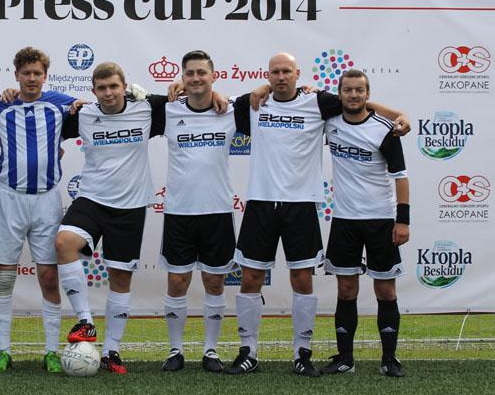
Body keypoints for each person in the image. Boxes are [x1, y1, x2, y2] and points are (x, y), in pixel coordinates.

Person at [226, 52, 409, 377]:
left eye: (286, 71)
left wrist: (400, 115)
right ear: (267, 75)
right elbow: (211, 102)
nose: (281, 76)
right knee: (251, 278)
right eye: (274, 72)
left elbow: (358, 105)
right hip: (260, 203)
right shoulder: (252, 103)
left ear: (297, 74)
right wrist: (256, 89)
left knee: (302, 279)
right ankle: (248, 352)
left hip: (301, 205)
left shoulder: (318, 103)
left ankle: (302, 353)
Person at [55, 62, 168, 374]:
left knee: (120, 277)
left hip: (130, 205)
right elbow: (46, 118)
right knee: (64, 243)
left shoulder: (148, 108)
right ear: (93, 91)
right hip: (91, 199)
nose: (108, 93)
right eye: (102, 88)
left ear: (124, 87)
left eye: (113, 86)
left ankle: (111, 352)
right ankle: (85, 322)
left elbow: (188, 98)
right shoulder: (83, 114)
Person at [0, 47, 77, 374]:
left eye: (37, 73)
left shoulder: (59, 103)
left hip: (46, 199)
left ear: (45, 76)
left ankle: (51, 351)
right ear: (16, 75)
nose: (32, 78)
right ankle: (3, 351)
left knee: (49, 276)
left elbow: (89, 104)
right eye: (26, 73)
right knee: (5, 277)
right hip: (8, 198)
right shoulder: (2, 107)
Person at [157, 50, 248, 373]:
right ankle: (175, 350)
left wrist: (217, 95)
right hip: (179, 212)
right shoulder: (166, 109)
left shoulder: (231, 110)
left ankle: (211, 350)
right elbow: (123, 100)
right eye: (190, 73)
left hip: (217, 211)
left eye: (202, 73)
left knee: (214, 282)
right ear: (182, 78)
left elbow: (270, 95)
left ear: (213, 76)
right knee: (177, 282)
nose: (196, 78)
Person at [319, 69, 409, 377]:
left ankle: (389, 359)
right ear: (339, 94)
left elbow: (401, 177)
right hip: (344, 220)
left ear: (368, 94)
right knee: (346, 291)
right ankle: (345, 358)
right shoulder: (330, 122)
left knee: (386, 291)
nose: (354, 95)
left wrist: (403, 221)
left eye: (359, 90)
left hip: (380, 221)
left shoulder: (385, 130)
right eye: (348, 90)